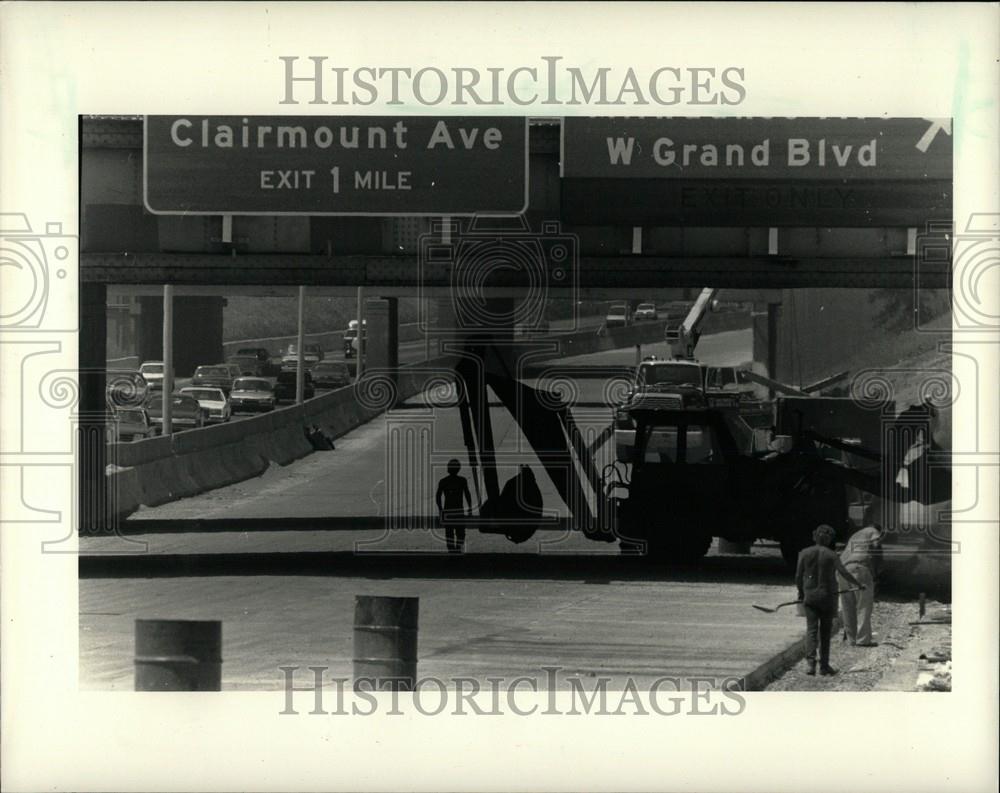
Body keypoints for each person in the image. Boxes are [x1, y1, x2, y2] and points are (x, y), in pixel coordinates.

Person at [795, 524, 866, 676]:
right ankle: (824, 666)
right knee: (825, 633)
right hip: (828, 597)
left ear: (814, 536)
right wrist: (859, 584)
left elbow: (798, 577)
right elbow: (844, 573)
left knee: (812, 630)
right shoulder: (832, 555)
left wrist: (801, 593)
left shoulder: (804, 553)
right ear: (829, 540)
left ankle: (810, 665)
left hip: (810, 597)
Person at [839, 508, 883, 646]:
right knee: (863, 604)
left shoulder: (856, 535)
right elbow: (876, 546)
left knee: (848, 605)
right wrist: (876, 571)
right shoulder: (873, 531)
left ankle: (851, 639)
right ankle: (863, 640)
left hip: (843, 570)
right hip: (859, 569)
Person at [436, 459, 472, 553]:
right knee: (460, 533)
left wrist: (440, 509)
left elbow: (438, 496)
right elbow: (467, 494)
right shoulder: (462, 480)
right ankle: (457, 550)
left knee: (449, 533)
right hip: (458, 510)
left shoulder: (443, 481)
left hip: (448, 510)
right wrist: (470, 507)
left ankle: (452, 552)